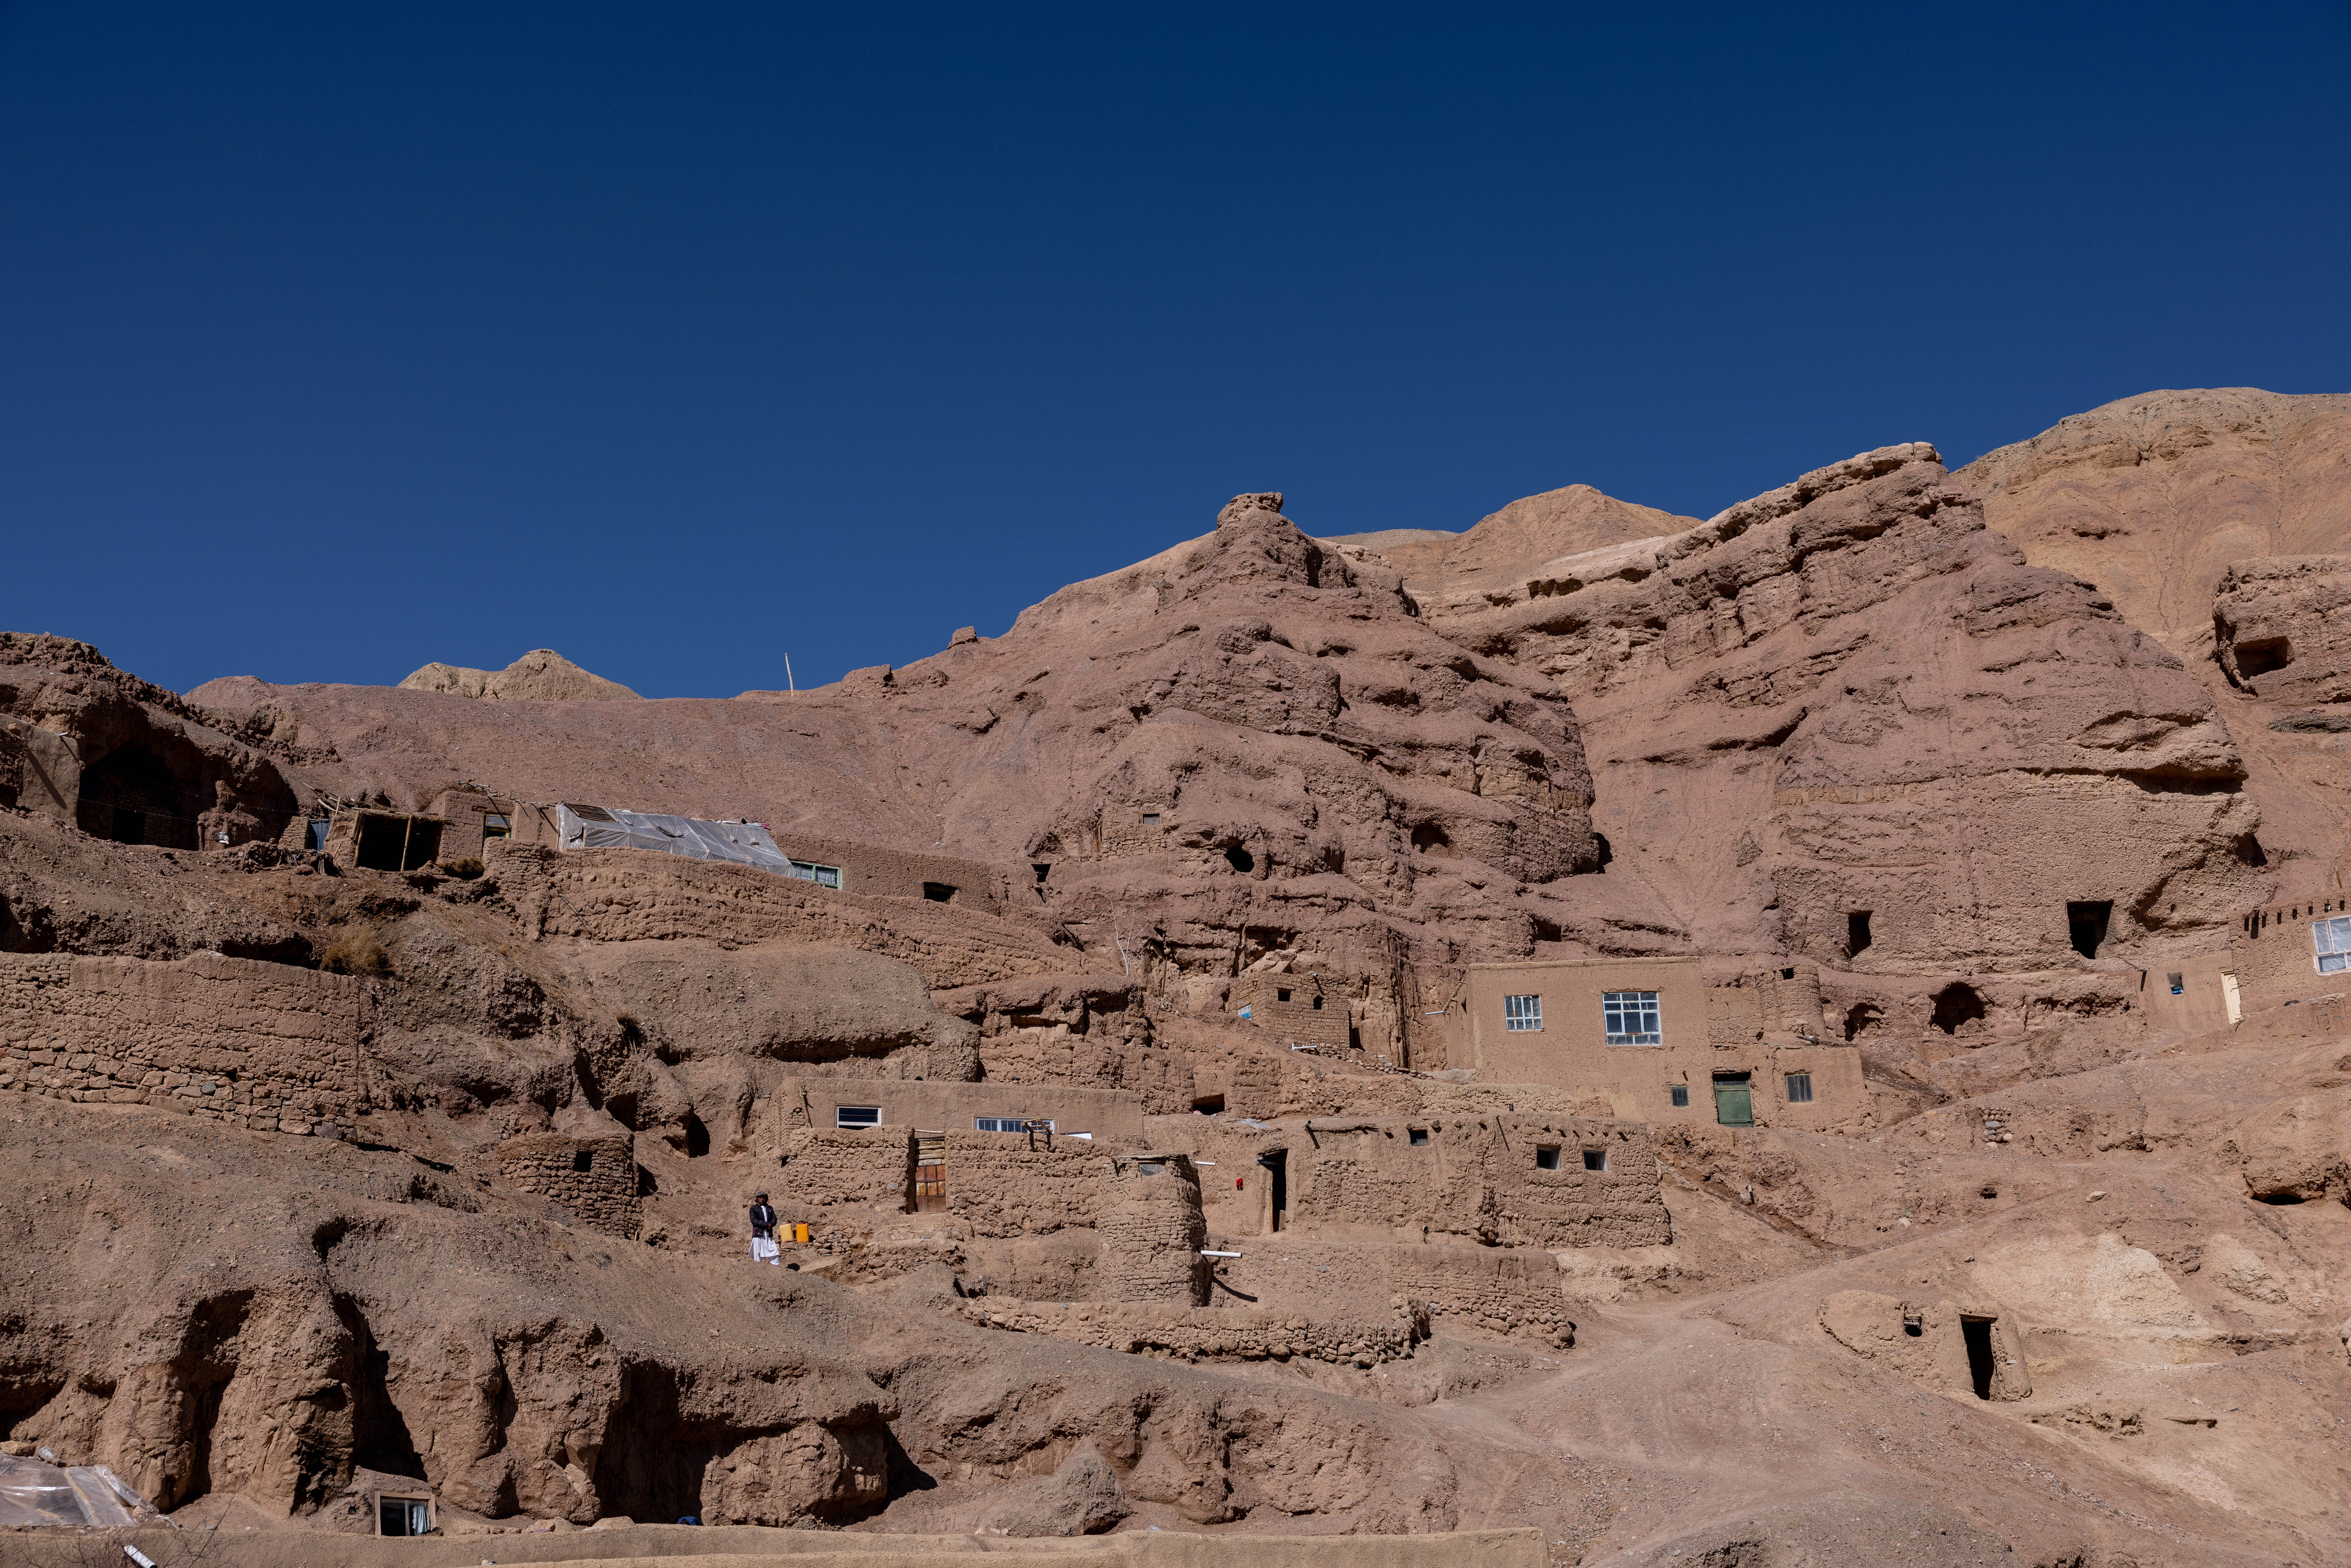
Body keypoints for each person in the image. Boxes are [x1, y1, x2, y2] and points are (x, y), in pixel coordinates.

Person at [748, 1192, 781, 1264]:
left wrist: (770, 1224)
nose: (762, 1199)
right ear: (757, 1199)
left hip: (769, 1233)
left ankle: (776, 1267)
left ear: (766, 1199)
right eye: (760, 1198)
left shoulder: (770, 1208)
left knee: (774, 1251)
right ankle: (758, 1268)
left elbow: (774, 1219)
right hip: (758, 1234)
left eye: (764, 1198)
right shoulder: (753, 1209)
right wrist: (766, 1225)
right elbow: (754, 1221)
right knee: (758, 1253)